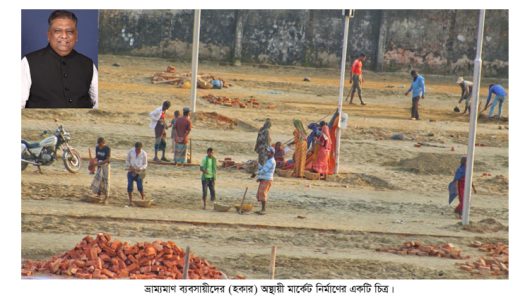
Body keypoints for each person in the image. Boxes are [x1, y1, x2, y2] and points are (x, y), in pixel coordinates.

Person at [21, 10, 98, 108]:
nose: (64, 36)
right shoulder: (28, 63)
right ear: (49, 35)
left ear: (76, 36)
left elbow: (99, 104)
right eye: (58, 31)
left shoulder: (88, 64)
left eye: (69, 31)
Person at [125, 142, 148, 206]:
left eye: (139, 149)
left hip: (140, 172)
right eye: (137, 149)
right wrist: (130, 167)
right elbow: (127, 160)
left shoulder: (144, 154)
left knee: (139, 186)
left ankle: (143, 197)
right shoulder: (130, 152)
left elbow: (145, 164)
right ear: (135, 148)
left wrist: (140, 168)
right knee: (129, 185)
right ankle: (130, 201)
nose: (138, 150)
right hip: (131, 171)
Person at [255, 147, 276, 215]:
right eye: (267, 152)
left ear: (272, 153)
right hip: (265, 179)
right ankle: (262, 209)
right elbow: (263, 168)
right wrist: (257, 164)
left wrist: (255, 173)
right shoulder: (268, 160)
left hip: (267, 179)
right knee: (261, 193)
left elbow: (264, 170)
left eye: (268, 152)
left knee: (263, 193)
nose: (267, 153)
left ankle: (263, 210)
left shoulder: (271, 161)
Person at [90, 137, 110, 204]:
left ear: (103, 143)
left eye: (101, 144)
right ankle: (99, 195)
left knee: (105, 181)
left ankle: (106, 197)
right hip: (99, 166)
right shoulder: (97, 148)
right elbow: (97, 157)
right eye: (99, 144)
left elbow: (108, 160)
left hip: (105, 166)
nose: (100, 146)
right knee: (98, 180)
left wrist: (99, 163)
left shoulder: (107, 149)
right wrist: (93, 161)